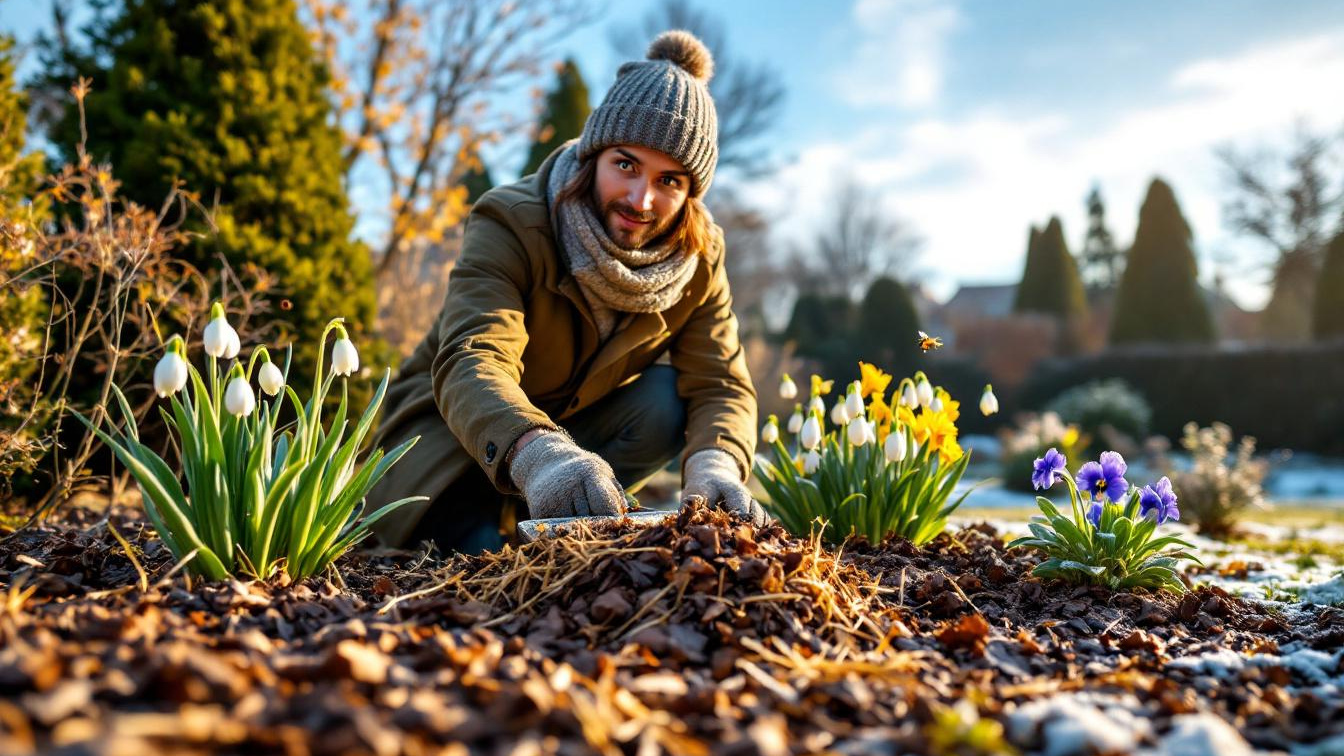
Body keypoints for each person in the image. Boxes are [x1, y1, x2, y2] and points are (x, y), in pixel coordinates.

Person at [366, 30, 767, 555]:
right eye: (626, 165)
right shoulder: (510, 219)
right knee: (478, 560)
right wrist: (538, 454)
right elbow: (473, 358)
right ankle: (493, 512)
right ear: (593, 156)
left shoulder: (697, 261)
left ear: (691, 193)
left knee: (668, 400)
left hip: (571, 443)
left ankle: (562, 514)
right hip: (455, 435)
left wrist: (716, 463)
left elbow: (720, 385)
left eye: (670, 181)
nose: (641, 199)